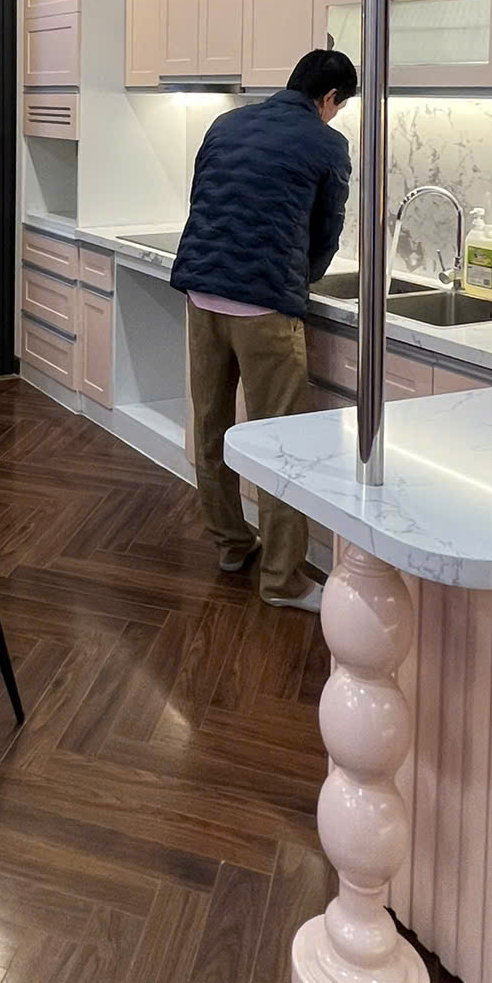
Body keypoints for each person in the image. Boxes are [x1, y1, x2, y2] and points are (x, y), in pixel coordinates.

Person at [169, 48, 356, 606]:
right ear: (329, 98)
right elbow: (326, 232)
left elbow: (203, 200)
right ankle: (282, 578)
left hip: (202, 295)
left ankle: (231, 544)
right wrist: (301, 279)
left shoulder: (226, 123)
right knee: (281, 443)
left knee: (211, 426)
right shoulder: (326, 143)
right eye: (339, 106)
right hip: (263, 307)